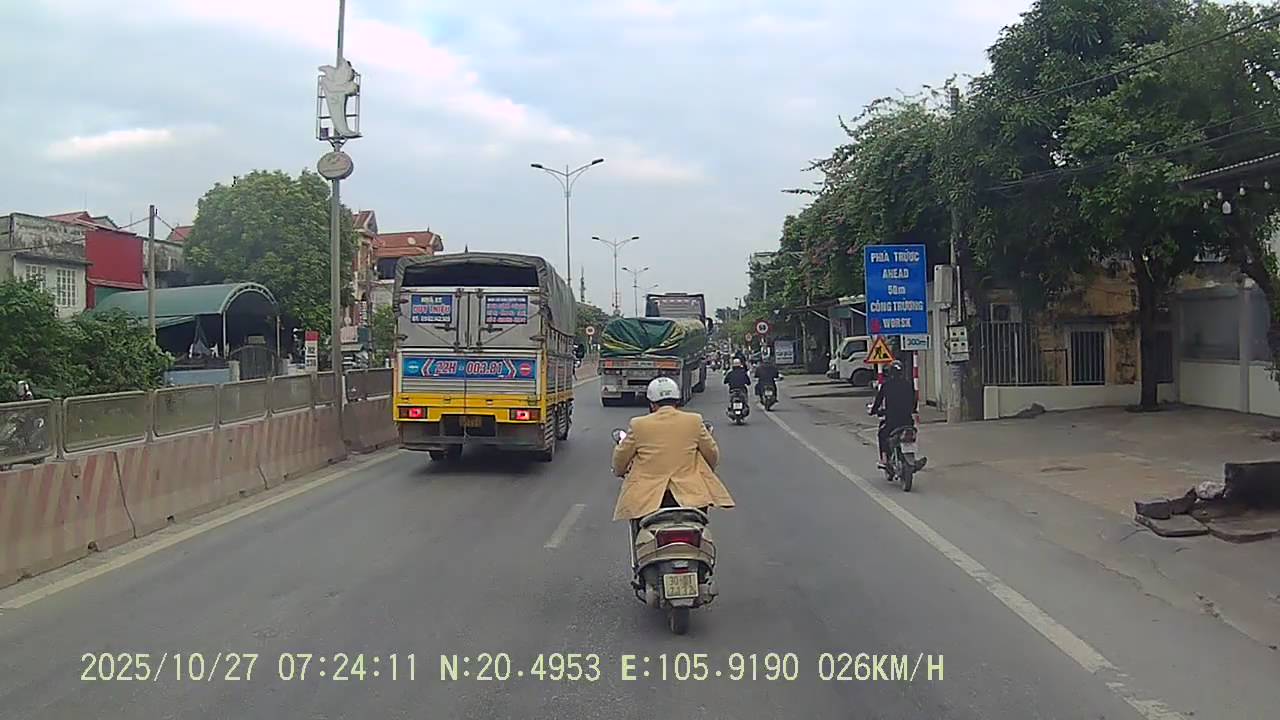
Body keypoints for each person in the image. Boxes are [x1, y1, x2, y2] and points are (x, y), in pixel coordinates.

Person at [612, 377, 736, 564]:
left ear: (652, 404)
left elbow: (620, 459)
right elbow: (712, 454)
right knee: (698, 528)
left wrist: (620, 471)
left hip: (649, 498)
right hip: (691, 495)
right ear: (677, 401)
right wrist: (705, 472)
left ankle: (641, 563)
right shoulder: (694, 421)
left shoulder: (638, 425)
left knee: (640, 532)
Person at [868, 360, 919, 469]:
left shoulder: (886, 385)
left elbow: (878, 401)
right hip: (907, 421)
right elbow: (914, 401)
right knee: (911, 434)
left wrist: (873, 411)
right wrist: (912, 410)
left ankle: (884, 459)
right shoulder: (908, 384)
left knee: (882, 434)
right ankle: (913, 458)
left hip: (892, 421)